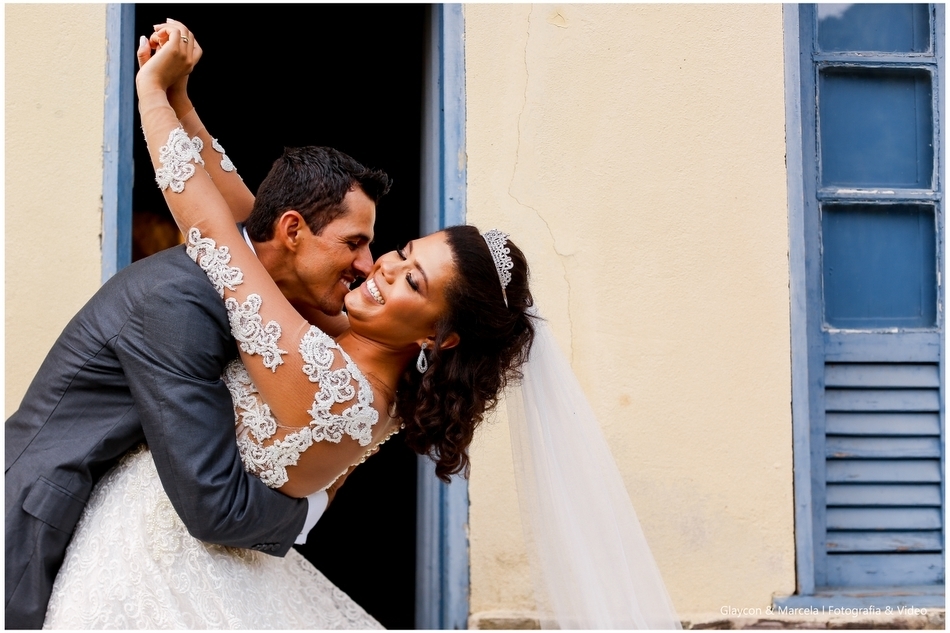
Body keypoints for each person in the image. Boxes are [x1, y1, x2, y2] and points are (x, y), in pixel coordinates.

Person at [46, 20, 682, 630]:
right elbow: (267, 227)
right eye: (401, 252)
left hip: (163, 554)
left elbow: (220, 237)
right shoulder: (355, 341)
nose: (378, 270)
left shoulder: (340, 390)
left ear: (441, 337)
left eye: (412, 281)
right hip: (166, 537)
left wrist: (151, 96)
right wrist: (186, 103)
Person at [4, 28, 390, 630]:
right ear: (292, 231)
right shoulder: (177, 304)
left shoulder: (247, 265)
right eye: (355, 243)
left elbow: (224, 191)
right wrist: (308, 509)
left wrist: (180, 99)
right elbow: (213, 502)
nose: (367, 265)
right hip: (36, 529)